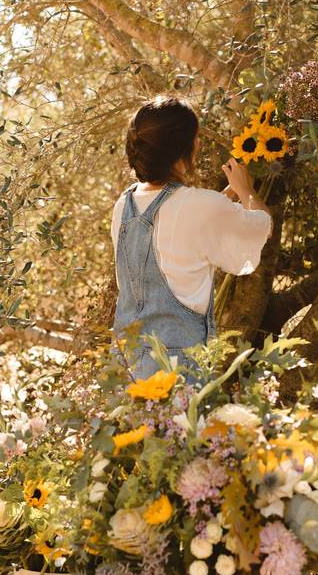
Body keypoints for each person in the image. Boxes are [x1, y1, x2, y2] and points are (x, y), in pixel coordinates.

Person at [111, 95, 272, 379]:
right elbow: (261, 227)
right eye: (196, 137)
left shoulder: (123, 205)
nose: (198, 144)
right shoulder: (199, 206)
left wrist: (225, 199)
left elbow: (176, 230)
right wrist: (246, 191)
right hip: (178, 371)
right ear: (183, 147)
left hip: (126, 369)